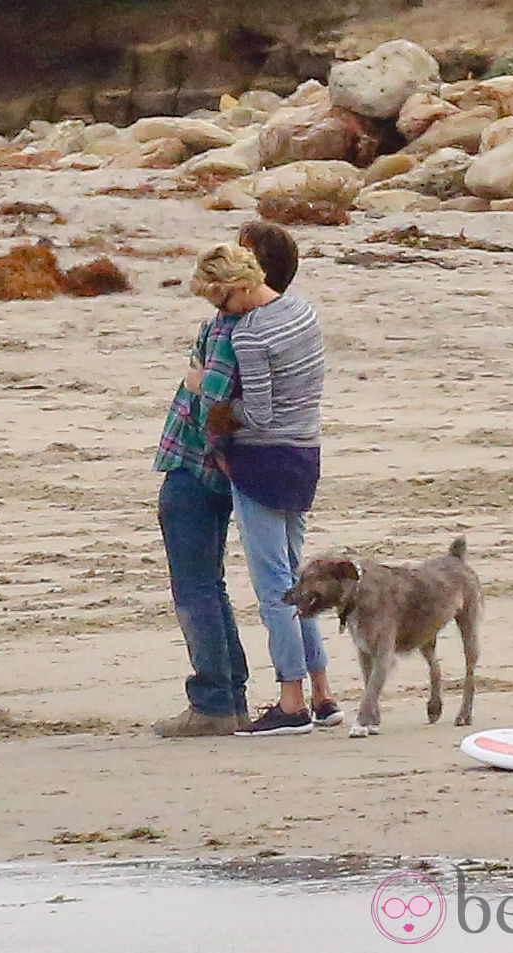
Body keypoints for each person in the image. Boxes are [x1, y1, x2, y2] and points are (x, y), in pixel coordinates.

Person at [152, 223, 301, 738]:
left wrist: (195, 388)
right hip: (242, 461)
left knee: (196, 584)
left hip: (196, 463)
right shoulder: (281, 320)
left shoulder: (230, 328)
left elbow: (210, 403)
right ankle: (231, 694)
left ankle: (217, 698)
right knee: (216, 583)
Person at [190, 243, 343, 736]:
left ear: (237, 288)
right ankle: (322, 694)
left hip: (262, 460)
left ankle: (291, 699)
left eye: (220, 300)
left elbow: (257, 413)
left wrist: (206, 393)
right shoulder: (301, 310)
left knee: (276, 585)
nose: (219, 312)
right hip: (305, 453)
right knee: (297, 576)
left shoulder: (252, 336)